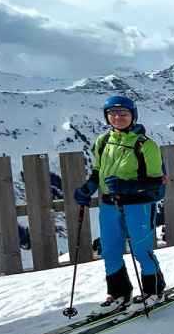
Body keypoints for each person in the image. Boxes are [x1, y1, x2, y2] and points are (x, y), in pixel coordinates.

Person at [72, 94, 168, 314]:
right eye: (112, 113)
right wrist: (89, 187)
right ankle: (119, 293)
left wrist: (127, 186)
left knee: (141, 251)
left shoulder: (146, 145)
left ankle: (154, 290)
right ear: (106, 116)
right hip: (109, 205)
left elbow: (157, 180)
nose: (118, 117)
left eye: (124, 112)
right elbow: (98, 170)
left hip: (139, 205)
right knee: (110, 251)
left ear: (133, 115)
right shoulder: (103, 141)